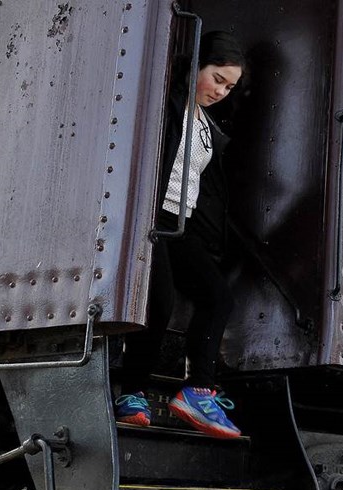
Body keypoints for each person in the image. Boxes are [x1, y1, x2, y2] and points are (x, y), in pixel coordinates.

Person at [114, 31, 245, 439]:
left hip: (180, 224)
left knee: (218, 295)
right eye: (217, 78)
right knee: (161, 301)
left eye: (230, 86)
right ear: (195, 66)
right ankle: (131, 392)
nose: (221, 91)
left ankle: (196, 392)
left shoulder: (209, 127)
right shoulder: (165, 103)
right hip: (151, 216)